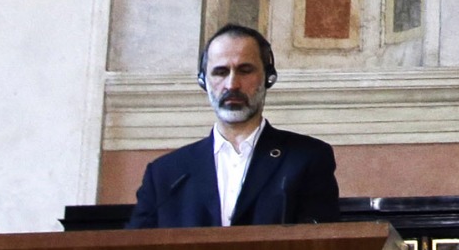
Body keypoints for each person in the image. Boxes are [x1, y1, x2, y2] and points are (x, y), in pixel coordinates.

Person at [127, 23, 339, 229]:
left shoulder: (306, 158)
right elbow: (134, 247)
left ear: (268, 78)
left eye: (245, 70)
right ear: (203, 81)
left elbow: (319, 244)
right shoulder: (166, 174)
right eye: (220, 72)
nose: (231, 84)